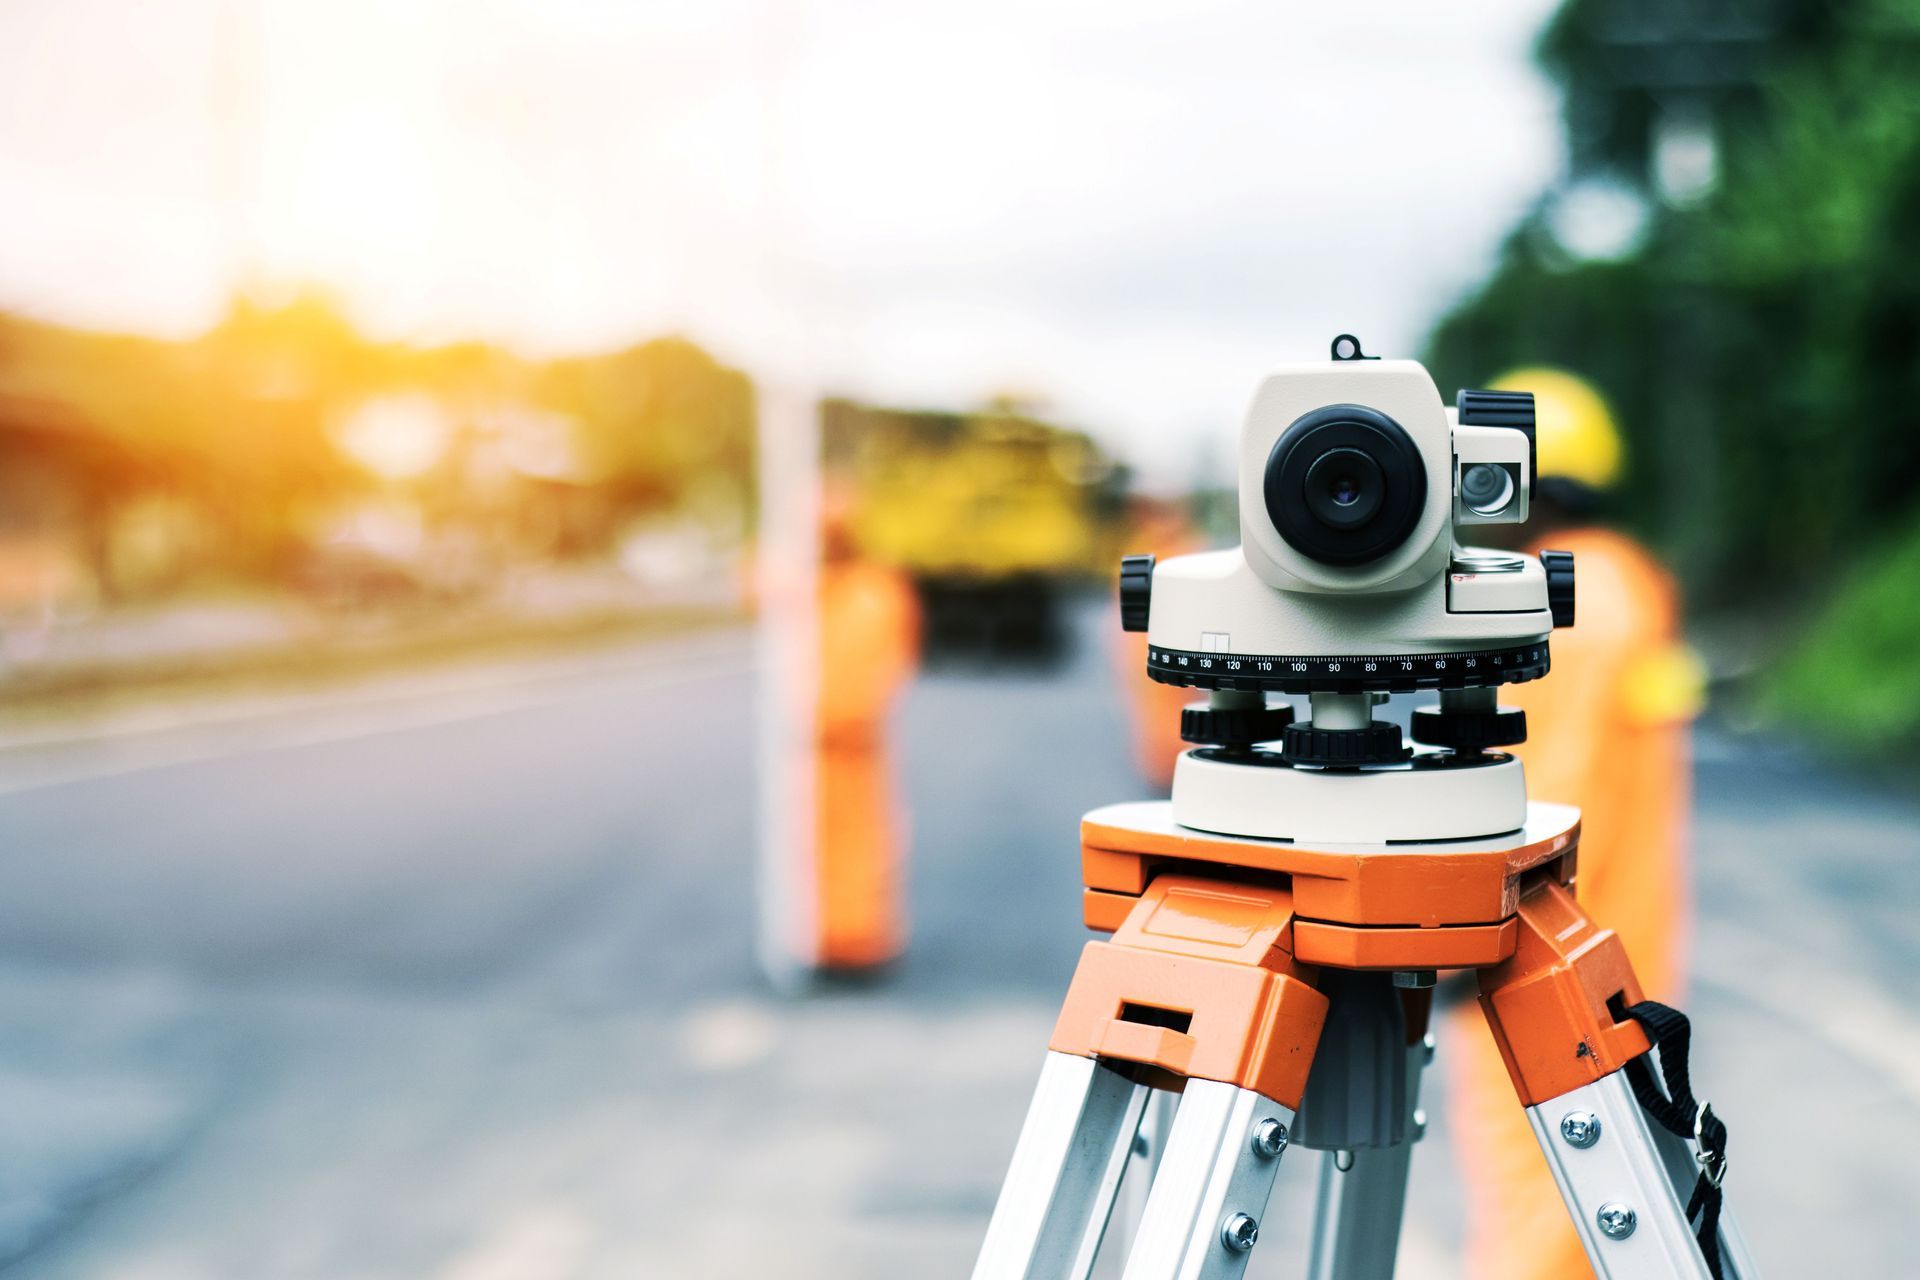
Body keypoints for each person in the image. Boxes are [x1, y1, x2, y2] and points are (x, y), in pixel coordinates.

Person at [1446, 367, 1707, 1279]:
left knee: (1542, 1197)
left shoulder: (1563, 605)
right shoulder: (1631, 583)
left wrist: (1460, 917)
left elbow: (1546, 791)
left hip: (1538, 956)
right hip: (1618, 952)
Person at [811, 488, 923, 970]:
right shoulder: (810, 588)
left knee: (865, 839)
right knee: (817, 841)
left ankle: (864, 937)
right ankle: (825, 935)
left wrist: (861, 713)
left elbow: (895, 659)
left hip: (857, 738)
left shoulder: (875, 588)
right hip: (810, 745)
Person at [1107, 497, 1204, 789]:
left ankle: (1171, 764)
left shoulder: (1184, 552)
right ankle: (1162, 765)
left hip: (1172, 662)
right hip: (1147, 660)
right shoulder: (1146, 552)